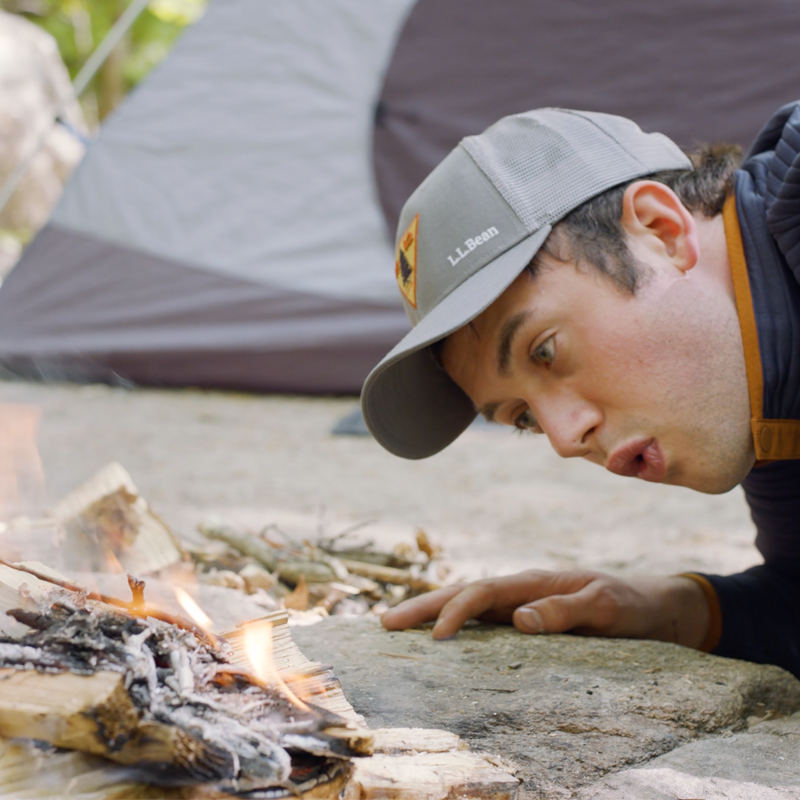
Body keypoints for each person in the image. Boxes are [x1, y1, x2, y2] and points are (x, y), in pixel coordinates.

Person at [359, 103, 800, 678]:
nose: (565, 439)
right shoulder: (759, 390)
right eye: (523, 417)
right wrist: (666, 611)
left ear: (661, 232)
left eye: (545, 351)